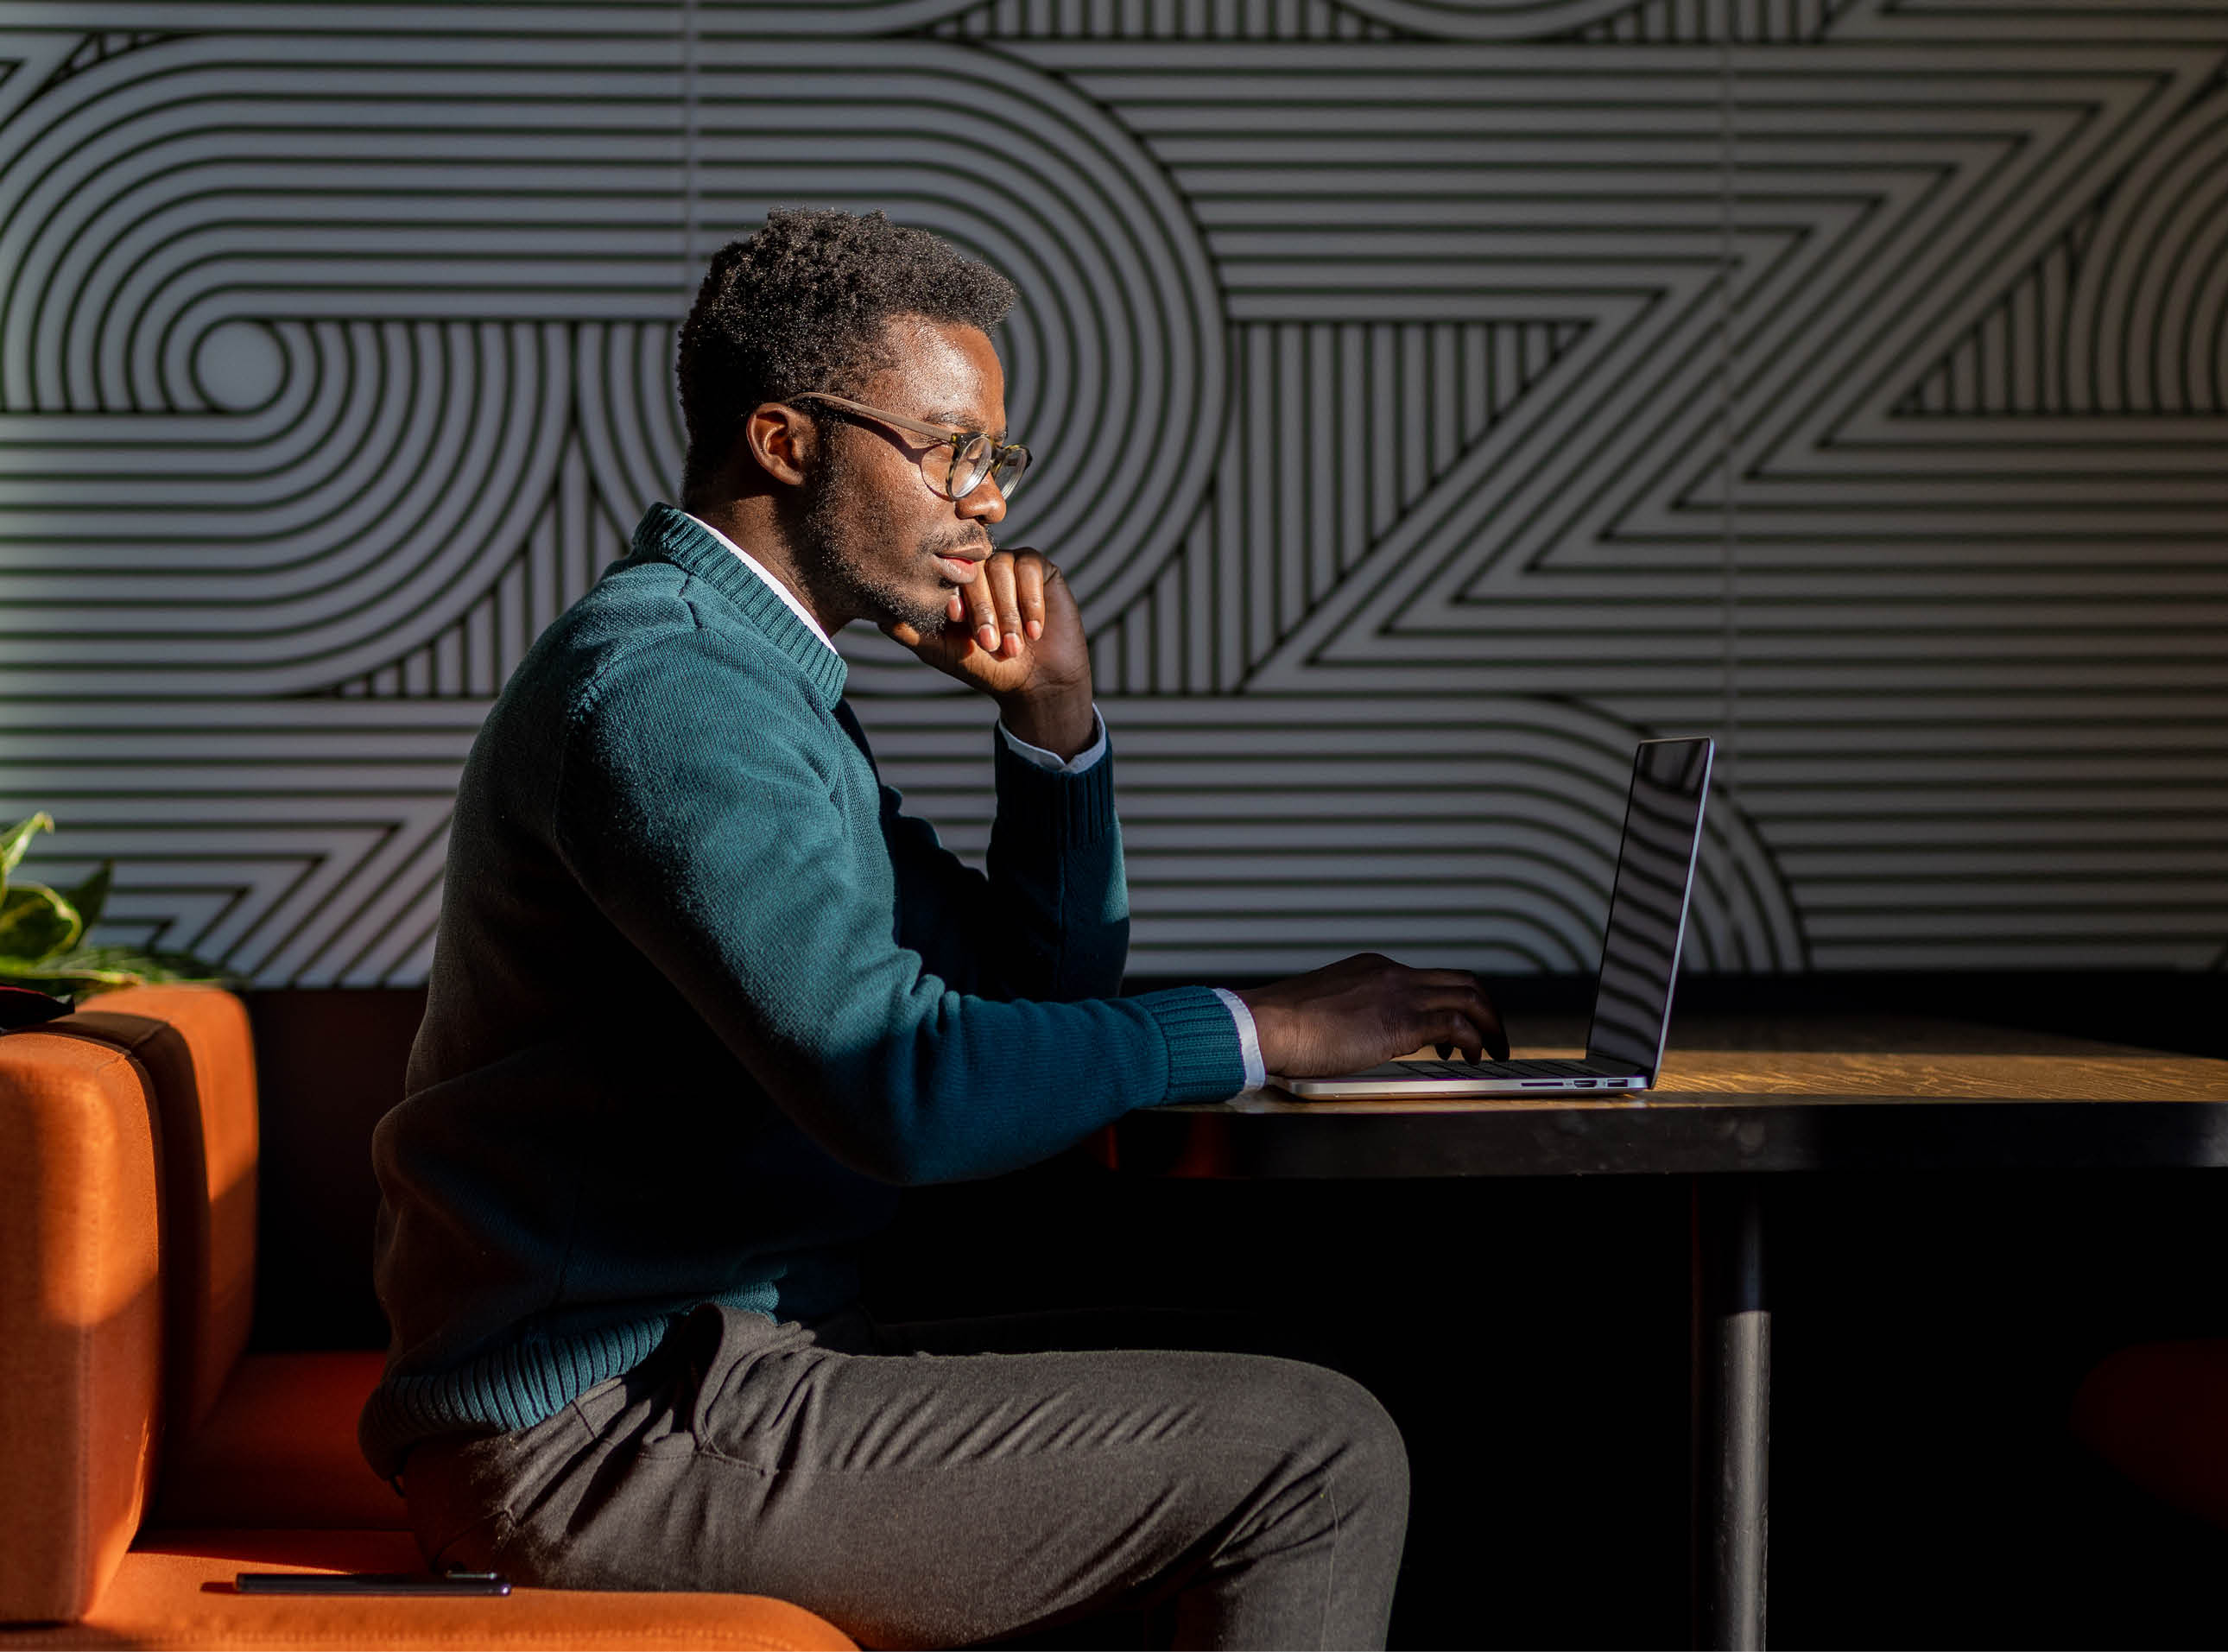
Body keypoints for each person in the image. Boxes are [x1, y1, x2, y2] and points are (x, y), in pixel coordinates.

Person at [360, 207, 1508, 1650]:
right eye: (954, 450)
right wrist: (1262, 1027)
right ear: (786, 440)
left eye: (996, 460)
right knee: (1317, 1453)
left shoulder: (759, 685)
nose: (988, 505)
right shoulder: (670, 692)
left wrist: (1054, 724)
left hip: (716, 1372)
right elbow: (899, 1085)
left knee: (1295, 1333)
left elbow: (1026, 984)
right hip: (605, 1435)